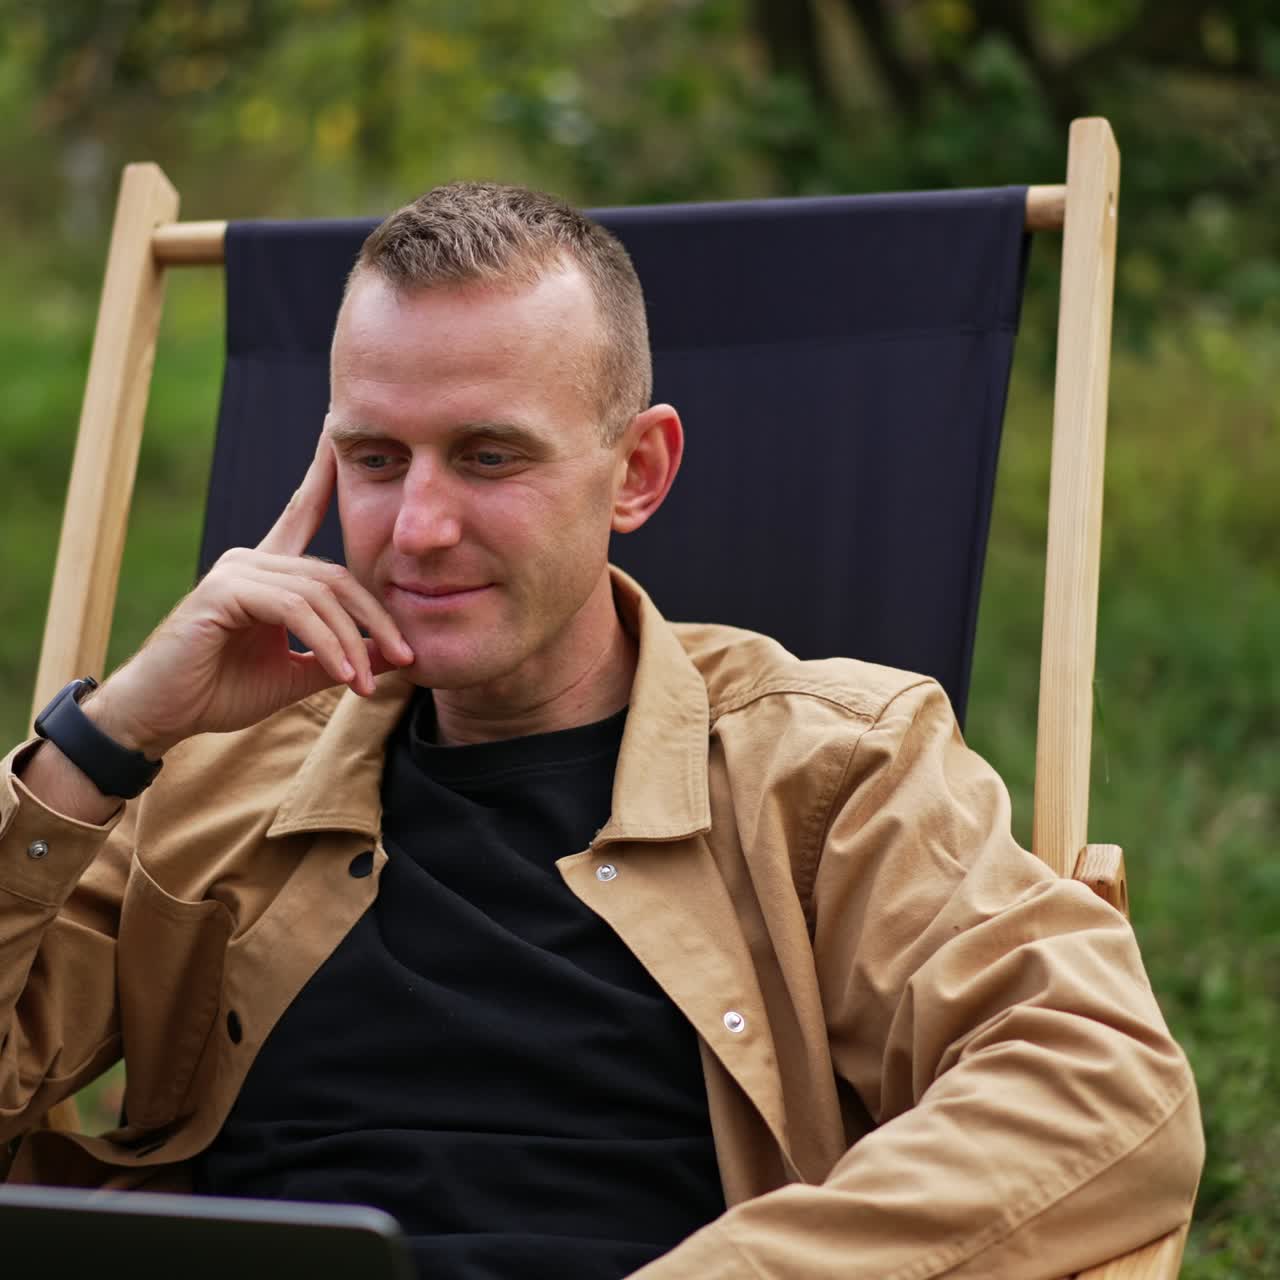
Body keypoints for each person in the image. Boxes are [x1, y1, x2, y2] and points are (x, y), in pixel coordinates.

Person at [1, 182, 1201, 1278]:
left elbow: (1097, 1088)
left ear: (636, 470)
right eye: (374, 456)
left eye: (487, 456)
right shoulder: (201, 775)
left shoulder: (831, 766)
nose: (416, 525)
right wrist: (100, 743)